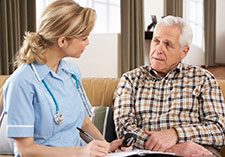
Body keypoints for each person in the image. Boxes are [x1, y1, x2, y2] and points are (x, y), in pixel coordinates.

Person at [2, 0, 124, 156]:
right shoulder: (21, 82)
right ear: (62, 41)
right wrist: (80, 152)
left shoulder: (71, 72)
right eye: (84, 37)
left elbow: (84, 122)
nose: (87, 42)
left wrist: (105, 147)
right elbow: (26, 149)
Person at [113, 15, 225, 157]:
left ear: (184, 51)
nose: (158, 49)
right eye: (156, 41)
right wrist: (171, 150)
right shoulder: (130, 79)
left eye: (167, 44)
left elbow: (219, 130)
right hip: (145, 154)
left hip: (195, 153)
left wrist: (176, 134)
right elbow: (124, 128)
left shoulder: (203, 79)